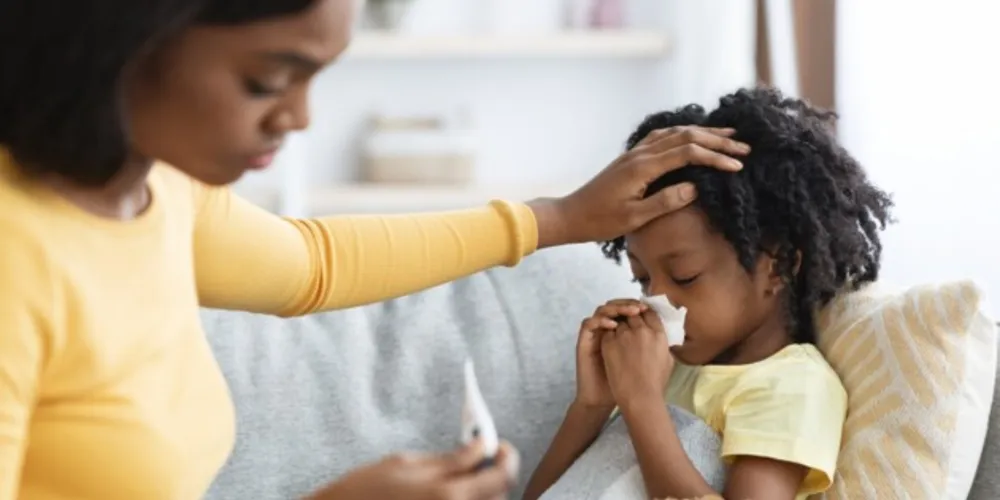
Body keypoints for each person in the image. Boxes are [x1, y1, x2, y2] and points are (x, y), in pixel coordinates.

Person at [0, 1, 751, 499]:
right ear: (124, 41)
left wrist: (560, 217)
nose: (298, 117)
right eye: (267, 80)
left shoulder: (156, 189)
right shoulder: (19, 256)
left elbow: (311, 266)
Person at [524, 87, 895, 500]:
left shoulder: (791, 386)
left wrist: (643, 403)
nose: (657, 299)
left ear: (778, 266)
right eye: (643, 279)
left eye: (684, 277)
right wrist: (592, 405)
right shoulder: (668, 370)